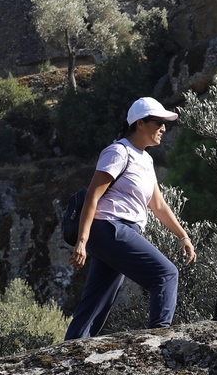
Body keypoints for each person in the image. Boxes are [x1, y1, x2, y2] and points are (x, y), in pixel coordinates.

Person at [65, 96, 197, 339]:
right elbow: (92, 198)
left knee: (98, 299)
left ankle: (71, 351)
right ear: (140, 123)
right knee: (166, 274)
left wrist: (183, 236)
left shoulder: (146, 159)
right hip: (110, 228)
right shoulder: (118, 151)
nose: (164, 128)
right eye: (158, 123)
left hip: (121, 232)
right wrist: (82, 241)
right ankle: (160, 340)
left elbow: (158, 205)